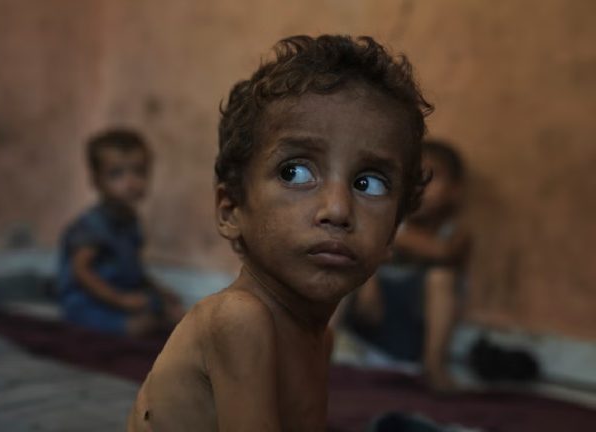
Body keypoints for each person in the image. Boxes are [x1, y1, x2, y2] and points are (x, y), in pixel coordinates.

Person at [128, 34, 433, 431]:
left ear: (392, 233)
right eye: (296, 172)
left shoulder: (319, 338)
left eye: (369, 183)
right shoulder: (239, 320)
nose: (338, 209)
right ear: (230, 209)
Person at [346, 139, 469, 391]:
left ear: (454, 190)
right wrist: (369, 283)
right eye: (412, 179)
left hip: (410, 334)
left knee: (441, 277)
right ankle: (325, 346)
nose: (419, 188)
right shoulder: (389, 220)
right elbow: (363, 250)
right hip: (368, 323)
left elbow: (443, 252)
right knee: (345, 262)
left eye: (430, 178)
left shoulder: (455, 232)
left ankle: (434, 366)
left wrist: (394, 240)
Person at [57, 129, 184, 336]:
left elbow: (132, 267)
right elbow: (81, 271)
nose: (131, 183)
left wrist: (159, 290)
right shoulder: (92, 226)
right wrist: (120, 300)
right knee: (137, 327)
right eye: (117, 174)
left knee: (172, 311)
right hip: (89, 300)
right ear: (96, 181)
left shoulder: (131, 222)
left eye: (139, 172)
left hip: (123, 292)